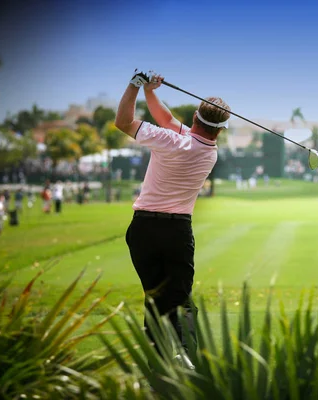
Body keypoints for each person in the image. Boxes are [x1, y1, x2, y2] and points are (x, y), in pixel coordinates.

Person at [115, 70, 230, 361]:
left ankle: (161, 364)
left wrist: (135, 85)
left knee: (155, 299)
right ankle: (188, 357)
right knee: (179, 299)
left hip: (142, 229)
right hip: (177, 232)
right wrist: (151, 92)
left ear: (194, 117)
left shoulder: (169, 140)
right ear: (220, 130)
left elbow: (123, 122)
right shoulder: (209, 152)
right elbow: (167, 120)